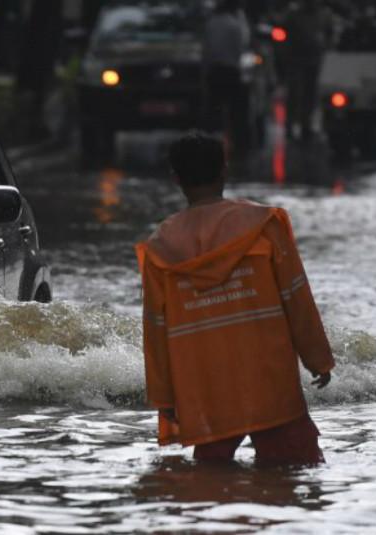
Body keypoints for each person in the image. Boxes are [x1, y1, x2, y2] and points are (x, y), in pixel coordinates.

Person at [135, 133, 335, 465]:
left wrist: (164, 395)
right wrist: (318, 359)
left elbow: (156, 328)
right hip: (269, 378)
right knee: (297, 472)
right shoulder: (263, 226)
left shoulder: (161, 247)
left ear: (176, 179)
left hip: (205, 385)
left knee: (211, 486)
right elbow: (296, 298)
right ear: (224, 171)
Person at [202, 0, 251, 149]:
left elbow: (207, 50)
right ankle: (239, 141)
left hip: (215, 71)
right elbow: (240, 48)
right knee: (236, 109)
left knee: (214, 107)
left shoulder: (211, 24)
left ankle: (211, 139)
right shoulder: (234, 25)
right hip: (231, 70)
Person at [284, 0, 334, 142]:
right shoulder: (294, 15)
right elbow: (285, 35)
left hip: (315, 60)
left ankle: (306, 125)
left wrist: (326, 48)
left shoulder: (324, 15)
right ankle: (290, 125)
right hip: (297, 60)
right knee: (295, 93)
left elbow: (330, 34)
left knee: (310, 95)